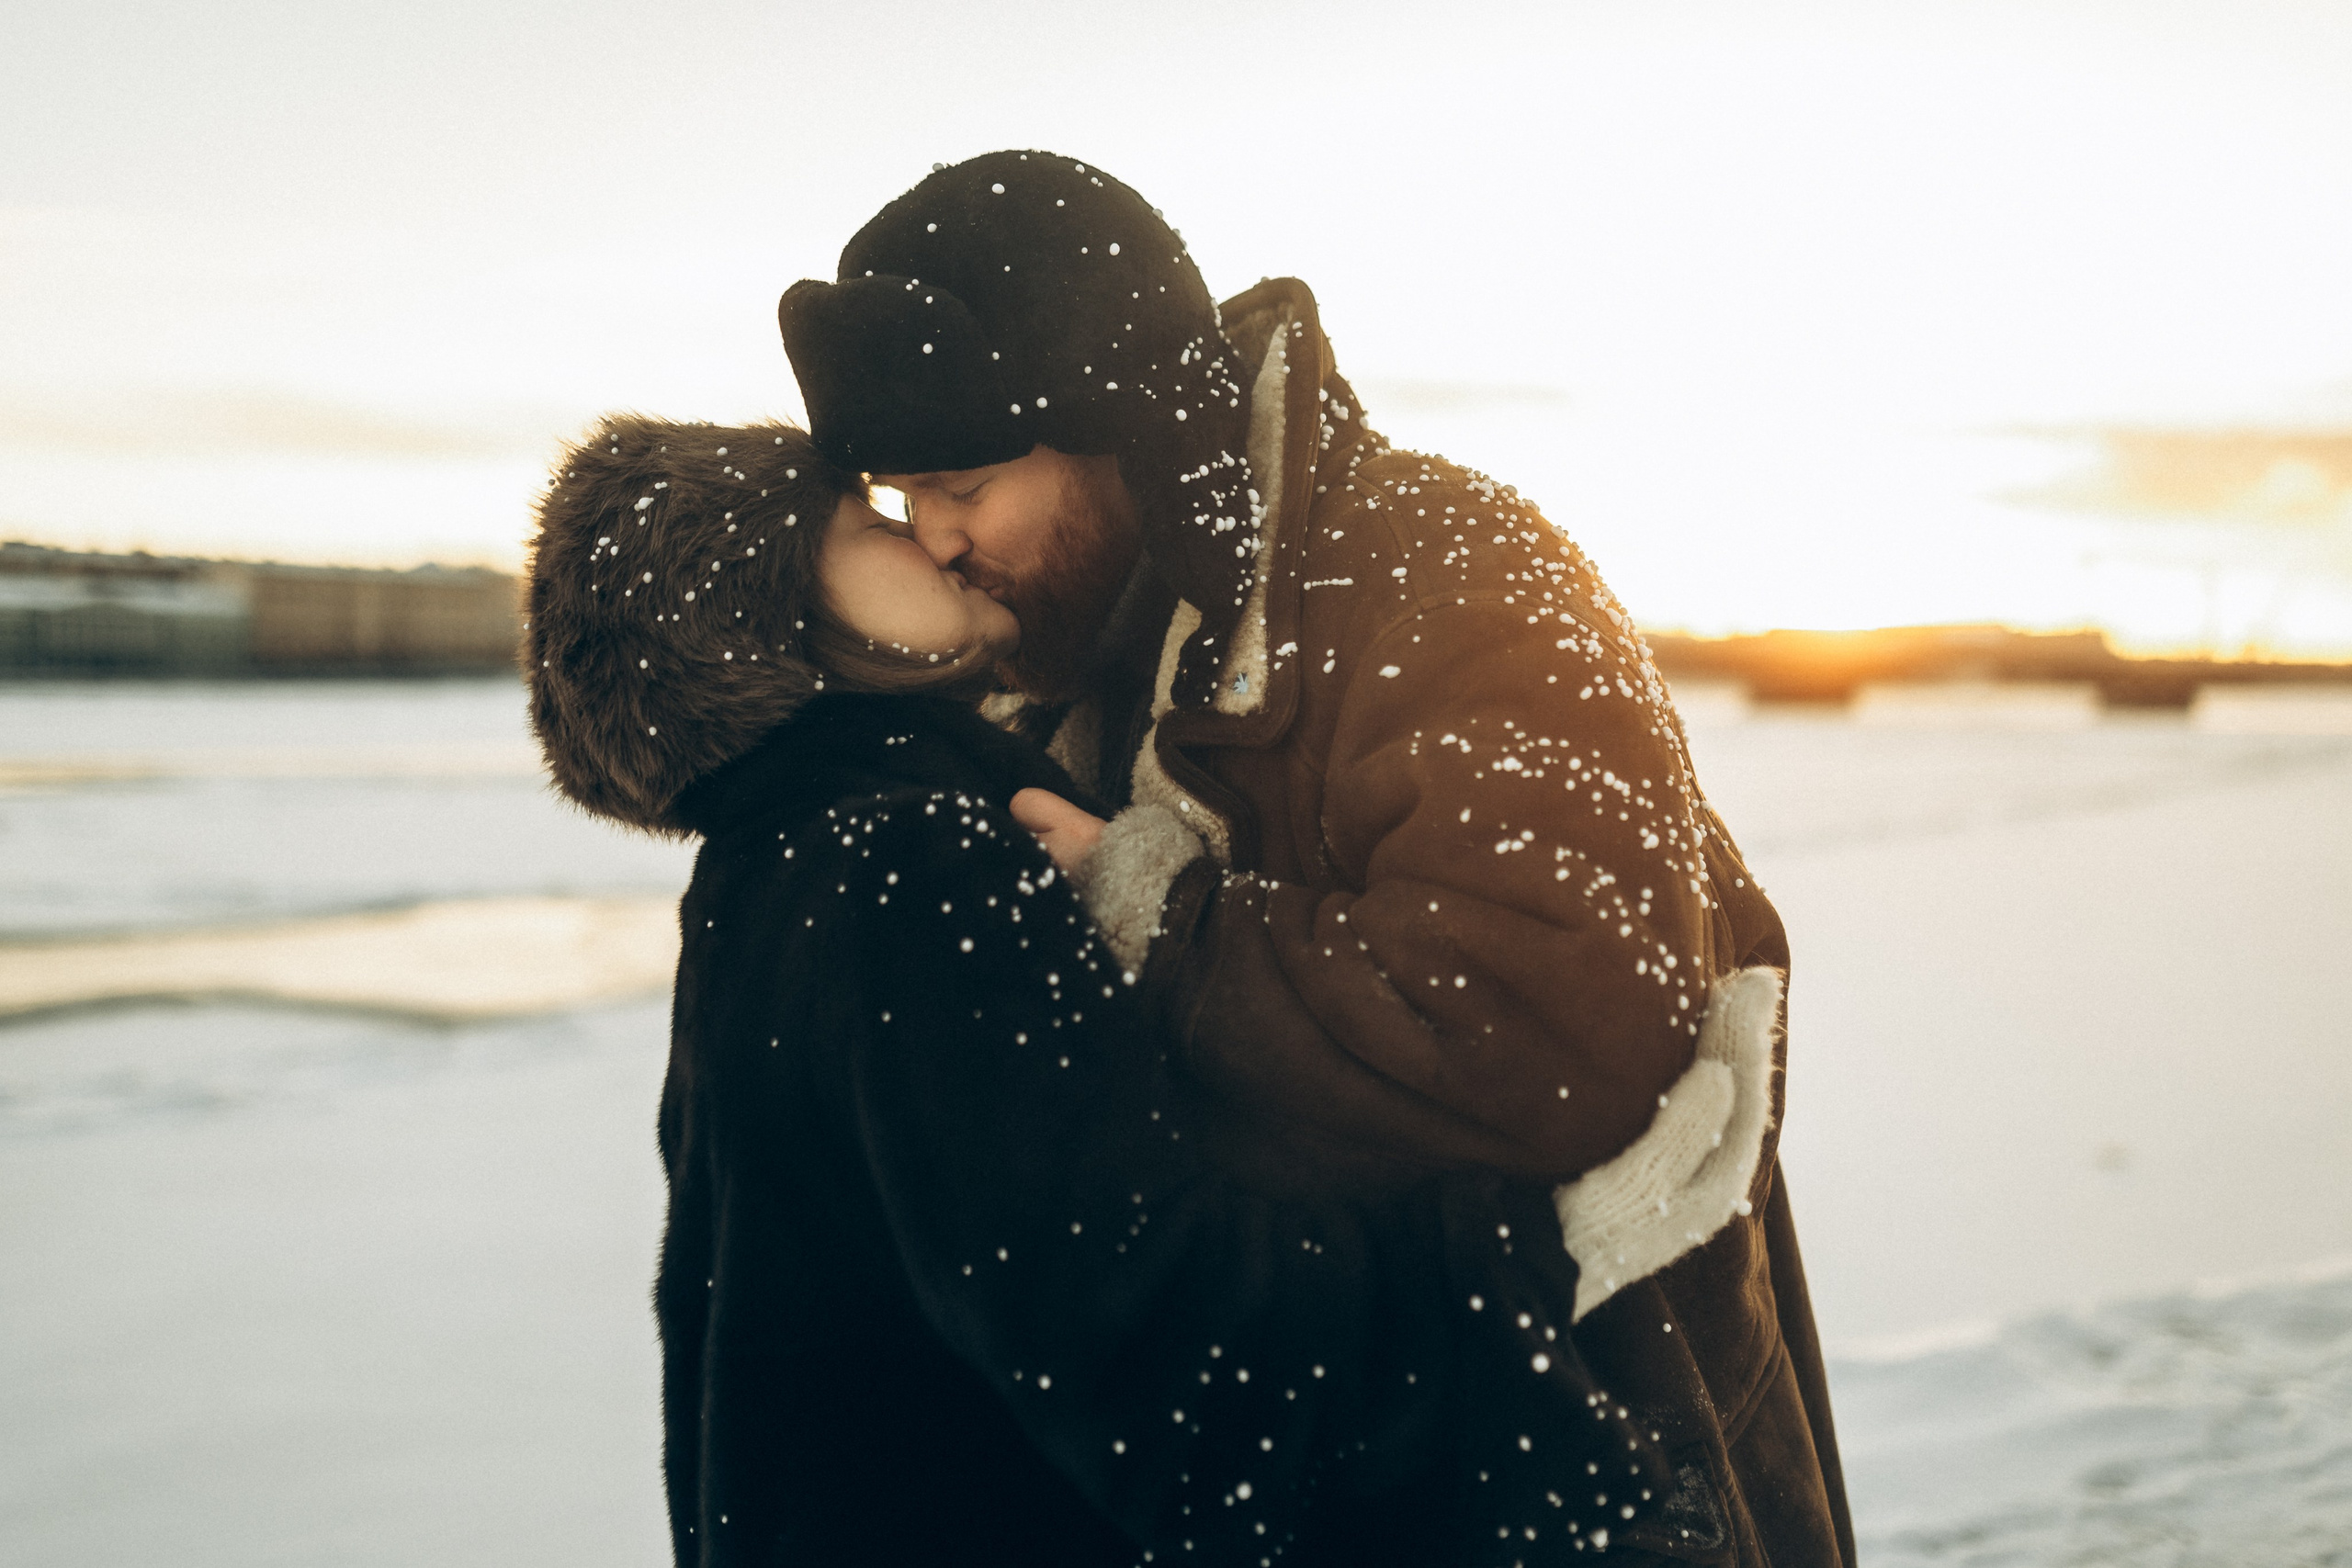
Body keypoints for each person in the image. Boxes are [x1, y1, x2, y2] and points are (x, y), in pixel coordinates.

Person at [777, 151, 1855, 1564]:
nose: (939, 538)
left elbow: (1558, 1033)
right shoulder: (1039, 680)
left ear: (1121, 422)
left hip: (1578, 1486)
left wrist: (1146, 915)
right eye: (901, 494)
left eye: (962, 481)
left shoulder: (1449, 568)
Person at [523, 415, 1678, 1566]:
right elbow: (1171, 1364)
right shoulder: (910, 867)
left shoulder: (765, 871)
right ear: (777, 615)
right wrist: (1525, 1265)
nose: (927, 541)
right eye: (870, 523)